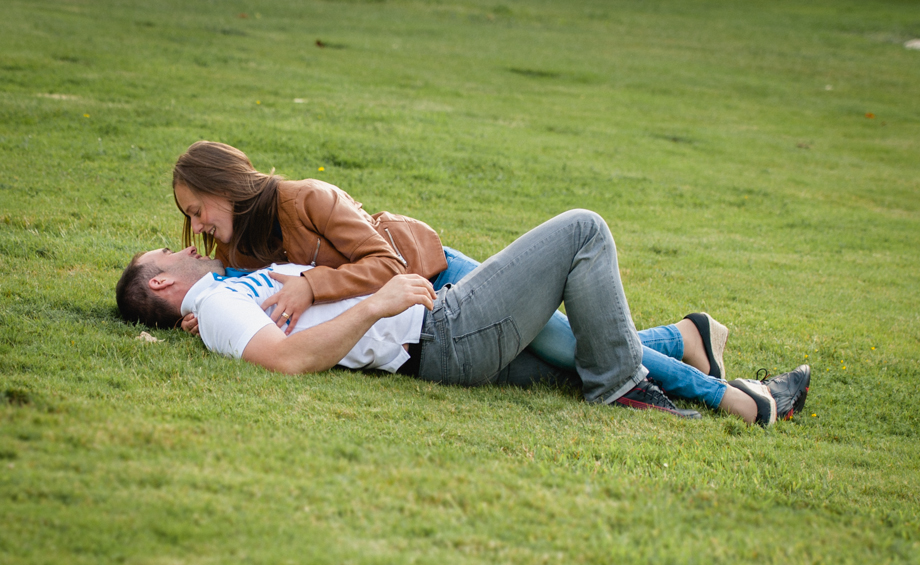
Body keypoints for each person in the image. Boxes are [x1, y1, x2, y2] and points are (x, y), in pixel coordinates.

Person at [169, 141, 784, 416]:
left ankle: (718, 395)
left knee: (571, 345)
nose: (196, 225)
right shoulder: (241, 250)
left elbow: (384, 265)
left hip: (434, 276)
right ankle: (686, 339)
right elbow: (245, 297)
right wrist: (197, 313)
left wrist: (310, 287)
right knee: (569, 354)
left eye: (197, 209)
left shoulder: (308, 197)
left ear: (226, 186)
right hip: (412, 312)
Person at [118, 209, 810, 426]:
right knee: (583, 232)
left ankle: (688, 345)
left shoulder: (228, 287)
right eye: (170, 251)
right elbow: (285, 359)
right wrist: (381, 304)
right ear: (160, 281)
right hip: (442, 333)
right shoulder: (214, 307)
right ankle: (632, 382)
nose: (186, 245)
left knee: (573, 350)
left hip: (438, 328)